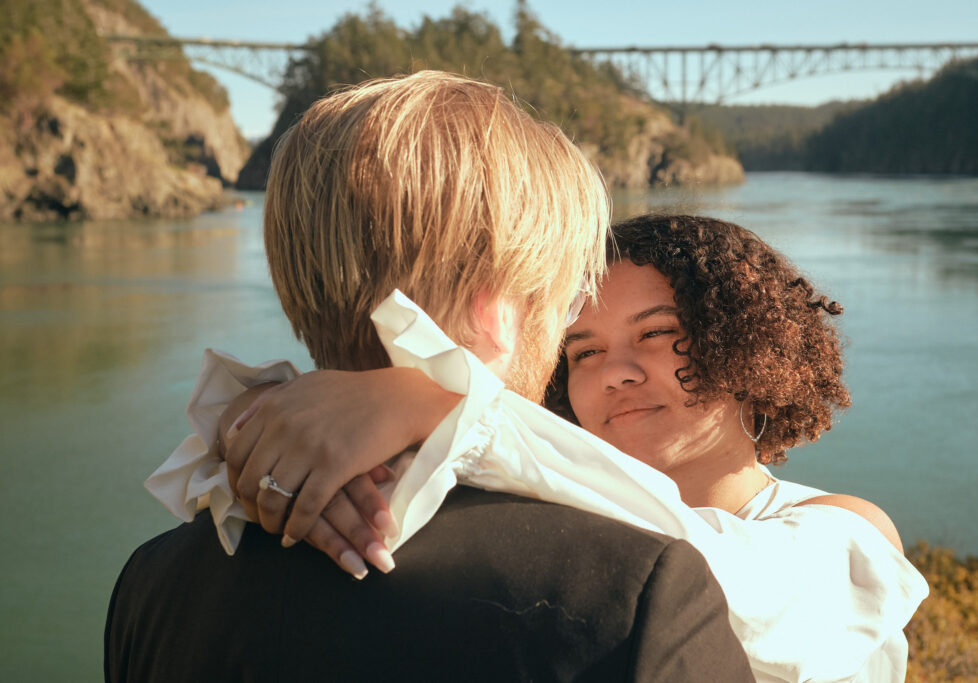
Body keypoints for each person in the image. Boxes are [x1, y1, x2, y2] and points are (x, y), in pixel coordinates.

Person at [106, 71, 754, 682]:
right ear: (496, 309)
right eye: (564, 301)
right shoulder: (641, 594)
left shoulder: (154, 581)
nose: (564, 332)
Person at [191, 215, 929, 681]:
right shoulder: (562, 514)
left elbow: (727, 590)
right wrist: (264, 425)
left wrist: (439, 406)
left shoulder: (846, 529)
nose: (616, 373)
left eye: (656, 333)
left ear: (746, 342)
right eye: (580, 351)